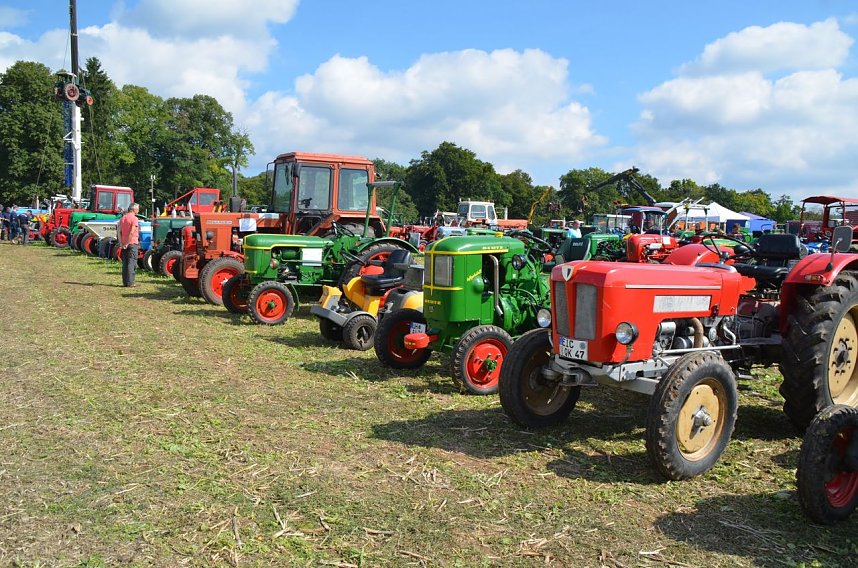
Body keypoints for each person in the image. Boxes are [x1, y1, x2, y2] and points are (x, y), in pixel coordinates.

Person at [118, 203, 141, 287]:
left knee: (125, 263)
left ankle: (125, 282)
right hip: (132, 243)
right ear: (133, 209)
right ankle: (130, 282)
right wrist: (128, 243)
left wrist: (121, 243)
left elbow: (119, 232)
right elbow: (132, 232)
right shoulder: (134, 219)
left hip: (124, 243)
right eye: (137, 208)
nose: (138, 210)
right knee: (132, 263)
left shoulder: (123, 218)